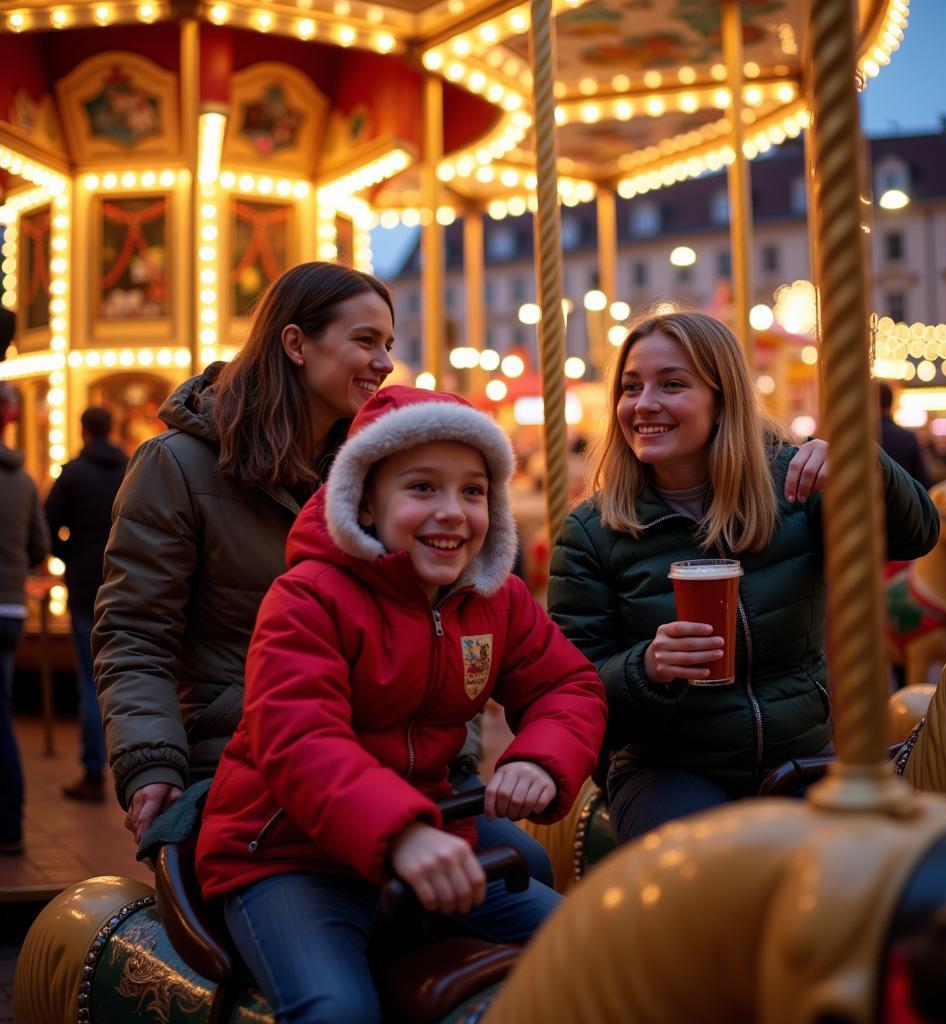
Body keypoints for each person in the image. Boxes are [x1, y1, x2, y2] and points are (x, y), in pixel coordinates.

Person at [93, 261, 553, 884]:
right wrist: (152, 763)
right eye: (365, 341)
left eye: (388, 344)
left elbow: (444, 618)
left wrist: (461, 755)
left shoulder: (379, 472)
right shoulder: (178, 467)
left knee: (524, 864)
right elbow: (135, 632)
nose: (385, 361)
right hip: (244, 759)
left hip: (388, 768)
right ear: (295, 343)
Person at [195, 385, 607, 1024]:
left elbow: (567, 685)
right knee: (335, 1009)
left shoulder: (493, 598)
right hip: (293, 853)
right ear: (365, 497)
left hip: (433, 829)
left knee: (597, 949)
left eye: (473, 491)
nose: (453, 512)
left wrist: (540, 759)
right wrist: (401, 834)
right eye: (422, 488)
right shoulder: (309, 599)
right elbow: (301, 739)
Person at [547, 311, 939, 844]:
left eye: (672, 384)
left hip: (799, 753)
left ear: (721, 397)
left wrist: (859, 461)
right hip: (669, 767)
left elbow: (916, 535)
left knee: (869, 873)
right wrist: (646, 667)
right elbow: (572, 684)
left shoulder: (793, 488)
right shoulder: (591, 531)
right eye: (631, 387)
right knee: (706, 869)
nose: (644, 404)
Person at [44, 406, 128, 802]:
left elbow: (47, 523)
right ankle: (130, 764)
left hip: (82, 587)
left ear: (83, 431)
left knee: (90, 680)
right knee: (129, 675)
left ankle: (93, 770)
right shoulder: (130, 468)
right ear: (110, 429)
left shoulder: (73, 474)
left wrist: (69, 553)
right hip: (123, 583)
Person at [0, 383, 50, 854]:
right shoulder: (22, 480)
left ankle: (10, 820)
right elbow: (40, 545)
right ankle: (11, 819)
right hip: (12, 606)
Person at [878, 381, 930, 487]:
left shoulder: (863, 440)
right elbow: (923, 479)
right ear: (891, 404)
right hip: (902, 500)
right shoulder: (907, 438)